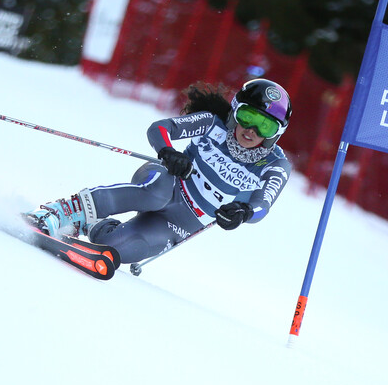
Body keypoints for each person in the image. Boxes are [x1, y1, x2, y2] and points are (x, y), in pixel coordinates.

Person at [26, 78, 293, 264]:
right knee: (156, 194)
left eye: (265, 127)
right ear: (235, 111)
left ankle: (93, 226)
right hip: (166, 184)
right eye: (248, 118)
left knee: (127, 248)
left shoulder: (275, 165)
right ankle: (60, 212)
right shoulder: (213, 125)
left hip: (182, 222)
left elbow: (263, 206)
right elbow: (160, 128)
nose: (251, 131)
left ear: (277, 134)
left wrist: (244, 213)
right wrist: (168, 152)